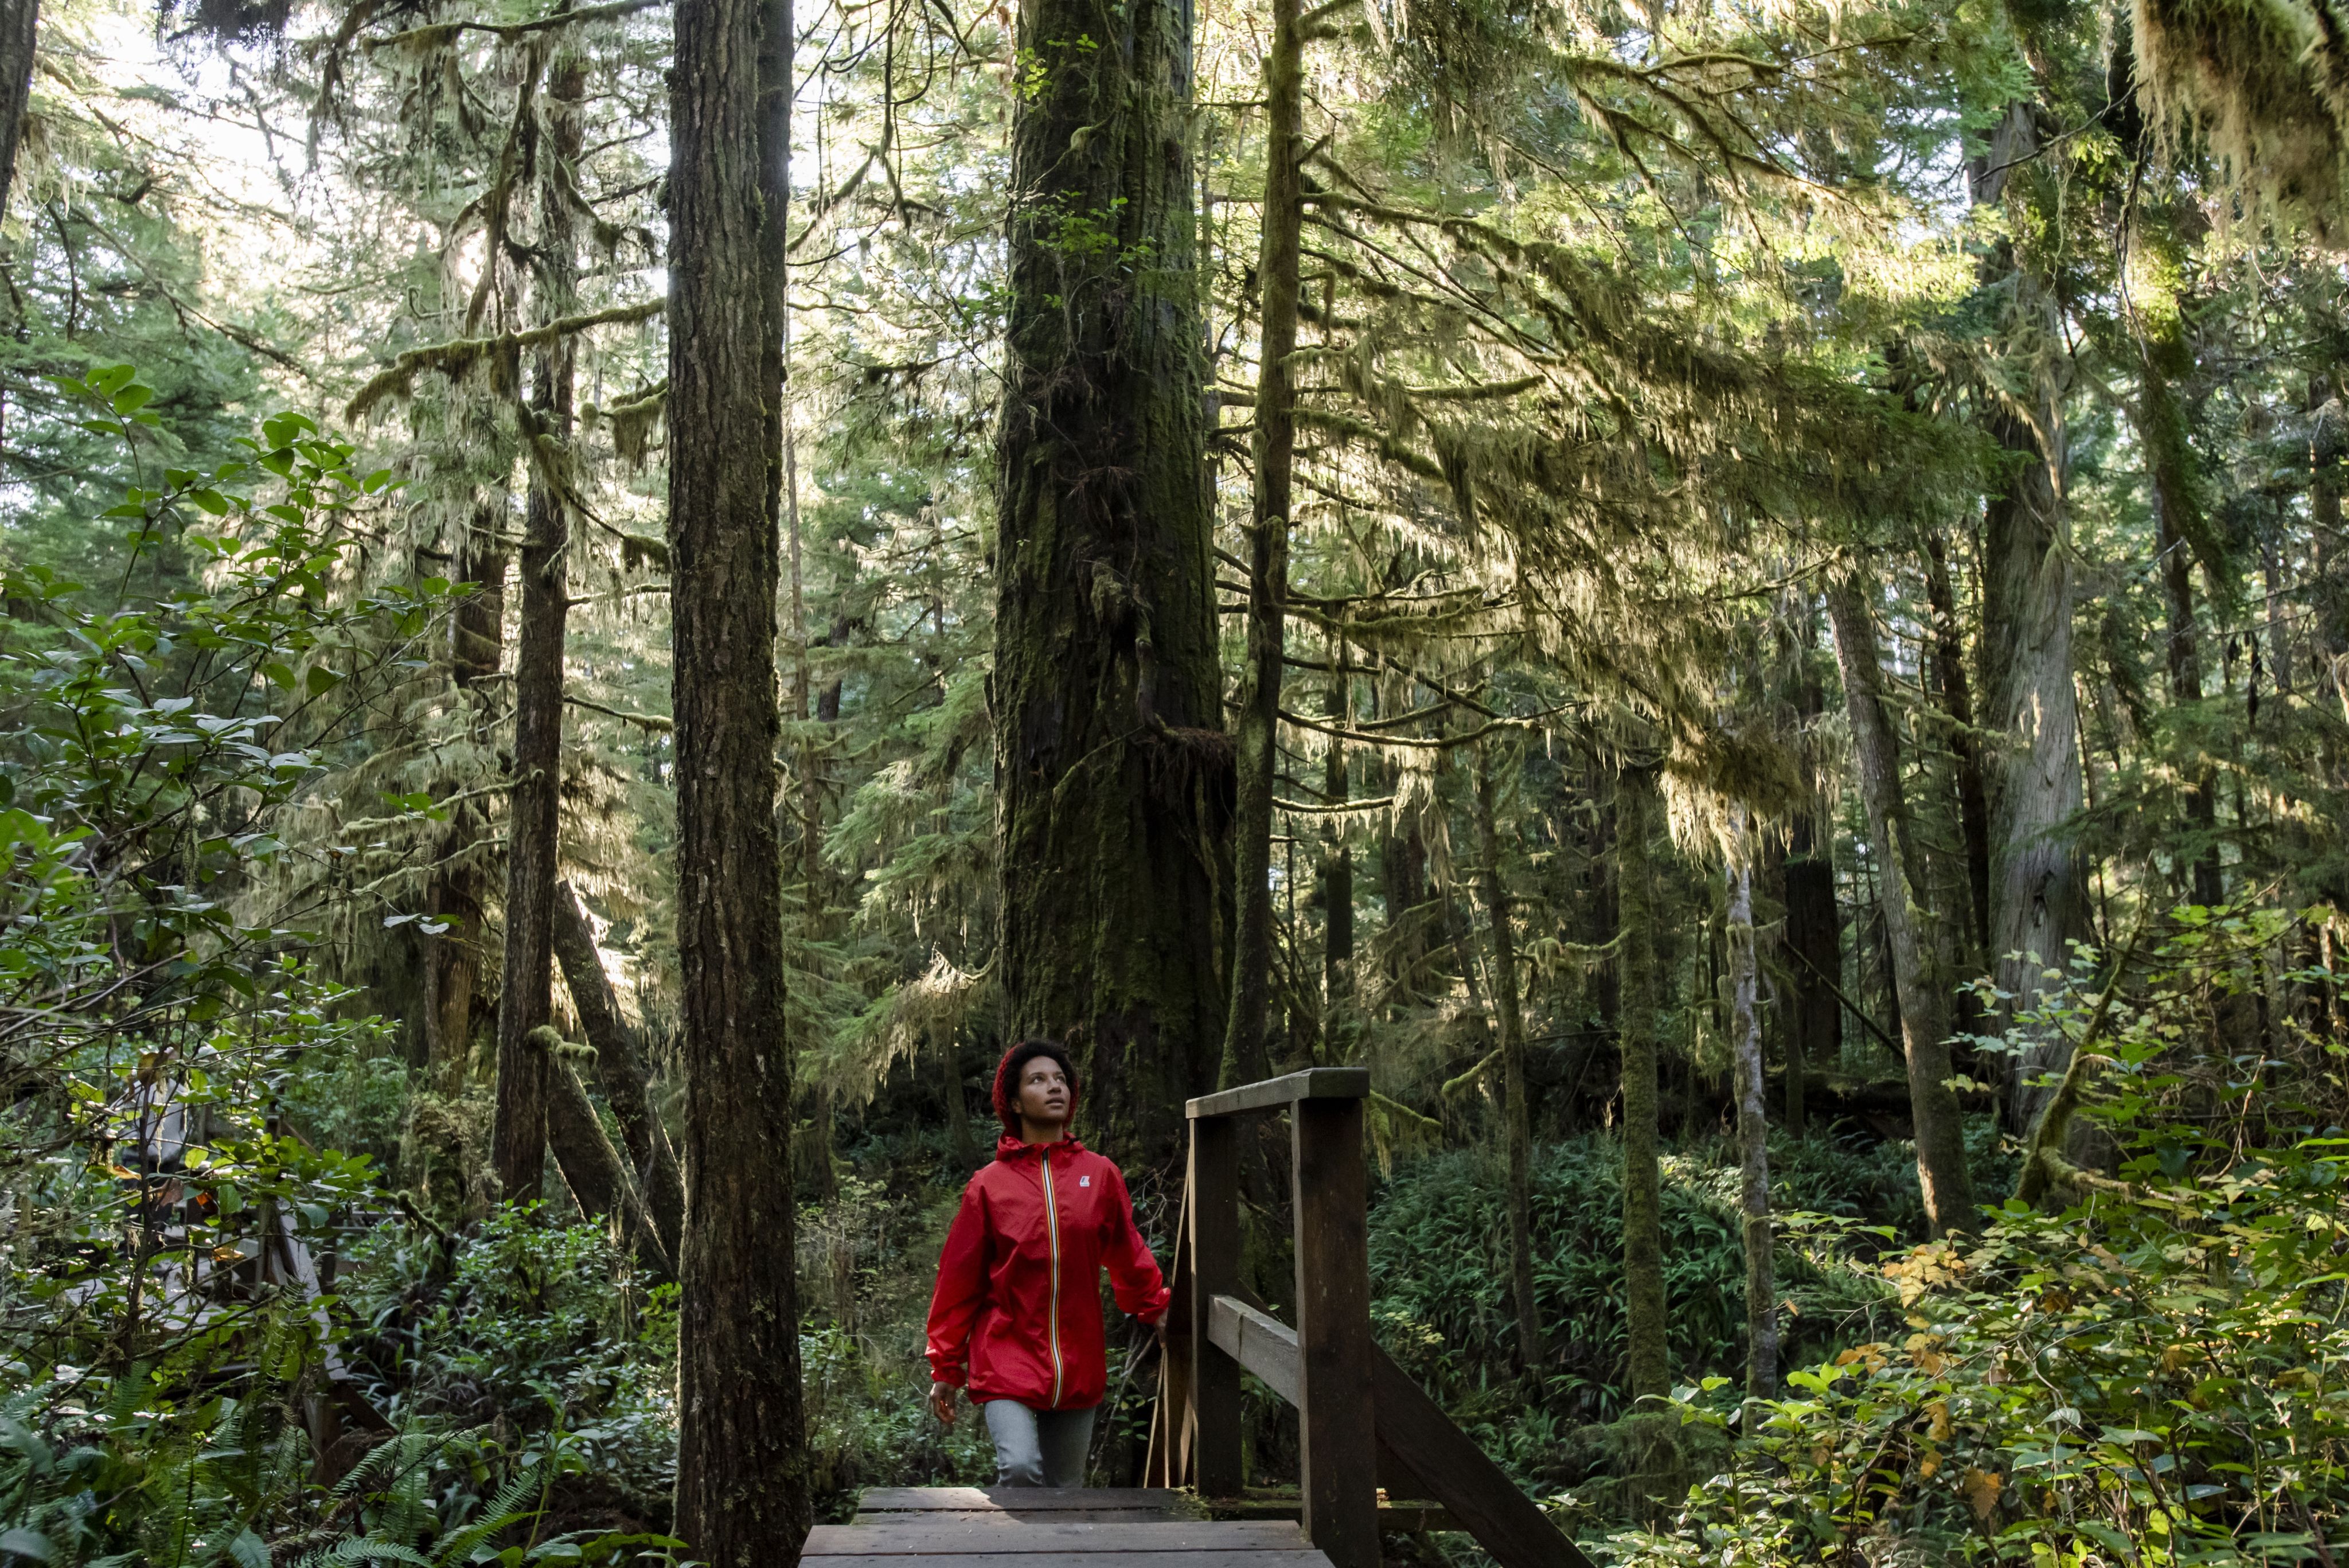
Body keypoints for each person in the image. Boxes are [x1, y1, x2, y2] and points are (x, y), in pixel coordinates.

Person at [924, 1039, 1170, 1487]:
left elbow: (1127, 1254)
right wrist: (947, 1367)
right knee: (1019, 1468)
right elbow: (958, 1283)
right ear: (1014, 1102)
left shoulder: (1099, 1175)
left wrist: (1156, 1307)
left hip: (1078, 1360)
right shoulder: (989, 1187)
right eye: (1038, 1080)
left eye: (1061, 1080)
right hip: (1005, 1355)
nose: (1055, 1088)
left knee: (1065, 1492)